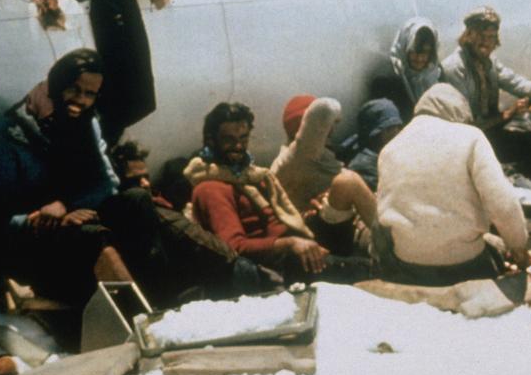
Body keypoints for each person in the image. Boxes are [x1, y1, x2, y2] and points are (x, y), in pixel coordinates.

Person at [0, 49, 134, 313]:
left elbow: (107, 182)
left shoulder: (82, 123)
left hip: (68, 218)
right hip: (29, 240)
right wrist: (40, 217)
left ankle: (165, 295)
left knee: (135, 203)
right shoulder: (7, 136)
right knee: (93, 237)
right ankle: (131, 314)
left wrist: (67, 206)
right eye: (74, 90)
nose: (81, 100)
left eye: (89, 94)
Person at [186, 102, 370, 283]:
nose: (238, 146)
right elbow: (235, 246)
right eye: (229, 140)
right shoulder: (211, 188)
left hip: (296, 244)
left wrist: (303, 216)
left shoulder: (250, 176)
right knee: (368, 270)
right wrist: (291, 244)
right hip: (282, 263)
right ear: (211, 141)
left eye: (243, 139)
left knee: (346, 184)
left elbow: (274, 218)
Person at [374, 83, 530, 286]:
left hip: (408, 263)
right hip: (463, 265)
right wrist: (518, 246)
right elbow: (503, 204)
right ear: (458, 111)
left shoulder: (389, 149)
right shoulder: (471, 137)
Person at [103, 141, 254, 306]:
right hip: (186, 289)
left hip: (194, 279)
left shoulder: (163, 200)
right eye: (135, 180)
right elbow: (221, 252)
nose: (145, 184)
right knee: (242, 268)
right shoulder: (153, 211)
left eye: (146, 177)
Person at [440, 6, 531, 187]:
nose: (487, 42)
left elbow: (516, 82)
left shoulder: (488, 63)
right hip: (468, 142)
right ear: (469, 35)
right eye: (481, 36)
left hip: (489, 132)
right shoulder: (455, 68)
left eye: (492, 37)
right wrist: (509, 113)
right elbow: (467, 125)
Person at [271, 95, 379, 254]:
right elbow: (323, 110)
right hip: (321, 234)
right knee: (348, 182)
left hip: (343, 225)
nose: (332, 129)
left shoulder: (318, 159)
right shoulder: (296, 158)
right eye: (330, 125)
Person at [369, 16, 443, 123]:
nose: (419, 59)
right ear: (404, 48)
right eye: (414, 51)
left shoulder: (437, 76)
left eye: (425, 53)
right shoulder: (386, 83)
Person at [342, 99, 404, 191]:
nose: (396, 132)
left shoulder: (388, 154)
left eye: (398, 127)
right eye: (390, 128)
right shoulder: (363, 165)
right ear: (375, 134)